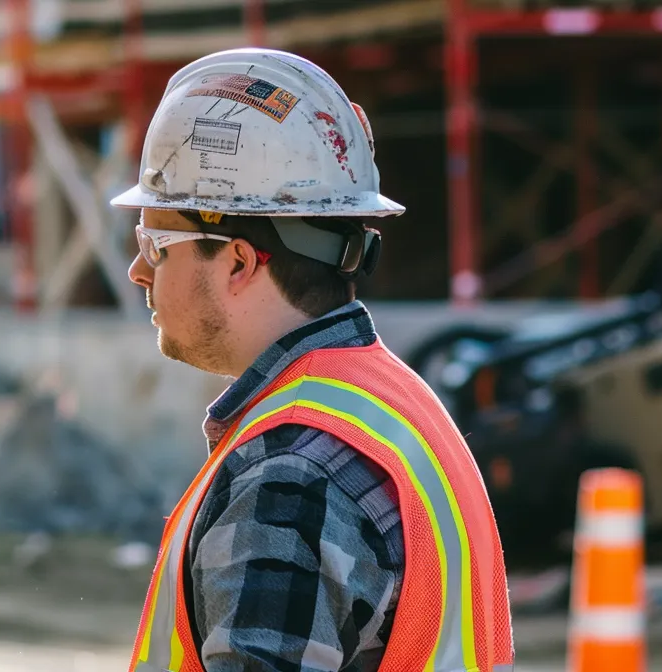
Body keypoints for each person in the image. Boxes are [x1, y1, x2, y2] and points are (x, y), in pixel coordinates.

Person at [111, 48, 514, 671]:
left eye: (156, 243)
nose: (138, 271)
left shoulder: (290, 476)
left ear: (240, 262)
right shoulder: (390, 406)